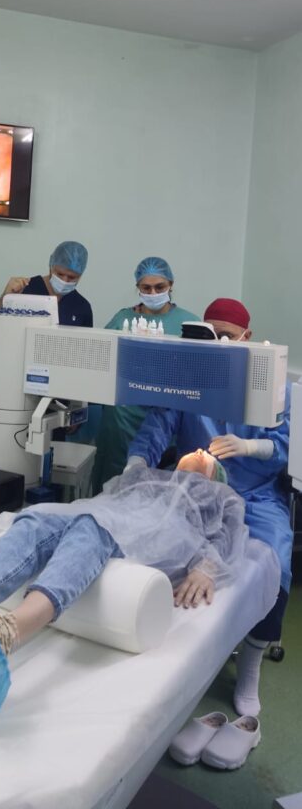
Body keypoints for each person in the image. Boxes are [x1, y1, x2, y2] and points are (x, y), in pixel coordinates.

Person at [0, 456, 251, 722]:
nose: (203, 449)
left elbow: (230, 536)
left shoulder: (220, 495)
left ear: (217, 476)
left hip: (165, 533)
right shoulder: (144, 475)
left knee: (92, 529)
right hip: (108, 511)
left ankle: (4, 634)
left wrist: (207, 568)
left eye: (210, 457)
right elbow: (107, 496)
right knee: (35, 520)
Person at [126, 297, 292, 717]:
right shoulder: (190, 380)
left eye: (228, 336)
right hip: (195, 488)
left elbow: (287, 445)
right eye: (211, 334)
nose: (219, 343)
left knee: (277, 559)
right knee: (156, 546)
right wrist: (136, 464)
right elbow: (158, 425)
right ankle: (168, 649)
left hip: (255, 493)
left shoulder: (273, 383)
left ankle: (250, 666)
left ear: (247, 337)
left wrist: (252, 446)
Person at [92, 256, 199, 492]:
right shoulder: (122, 319)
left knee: (158, 486)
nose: (153, 293)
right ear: (137, 288)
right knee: (113, 482)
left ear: (171, 285)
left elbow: (198, 376)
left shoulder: (189, 323)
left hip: (165, 418)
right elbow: (100, 362)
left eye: (159, 287)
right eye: (146, 288)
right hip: (121, 417)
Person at [0, 240, 92, 326]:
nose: (64, 280)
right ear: (51, 265)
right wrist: (5, 296)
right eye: (60, 274)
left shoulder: (82, 307)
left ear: (80, 275)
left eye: (72, 277)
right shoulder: (25, 289)